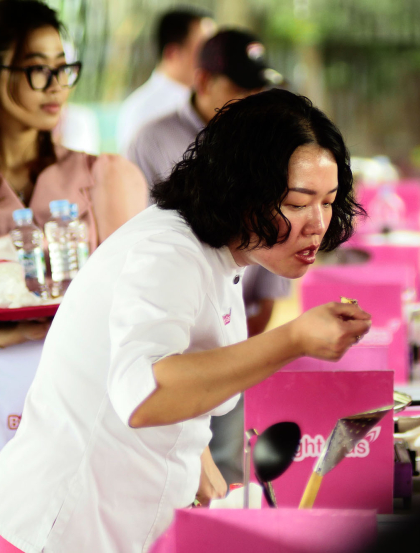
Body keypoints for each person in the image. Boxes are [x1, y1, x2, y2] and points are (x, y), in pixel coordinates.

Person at [0, 88, 370, 553]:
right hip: (59, 529)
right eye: (299, 202)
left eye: (328, 201)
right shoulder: (168, 252)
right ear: (240, 189)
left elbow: (177, 368)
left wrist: (196, 458)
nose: (317, 223)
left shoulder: (221, 254)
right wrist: (294, 339)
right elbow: (144, 392)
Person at [0, 1, 148, 551]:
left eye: (63, 67)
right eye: (36, 67)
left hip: (82, 414)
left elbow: (142, 313)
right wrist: (9, 334)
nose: (56, 85)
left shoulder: (103, 176)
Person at [128, 29, 288, 484]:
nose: (253, 99)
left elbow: (278, 259)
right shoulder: (152, 140)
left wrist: (245, 352)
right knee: (176, 471)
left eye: (258, 88)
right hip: (175, 335)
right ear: (202, 80)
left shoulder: (269, 137)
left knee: (231, 473)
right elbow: (145, 248)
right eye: (239, 89)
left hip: (245, 329)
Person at [116, 7, 216, 155]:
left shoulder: (208, 101)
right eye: (205, 49)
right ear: (172, 53)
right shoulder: (142, 110)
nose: (213, 58)